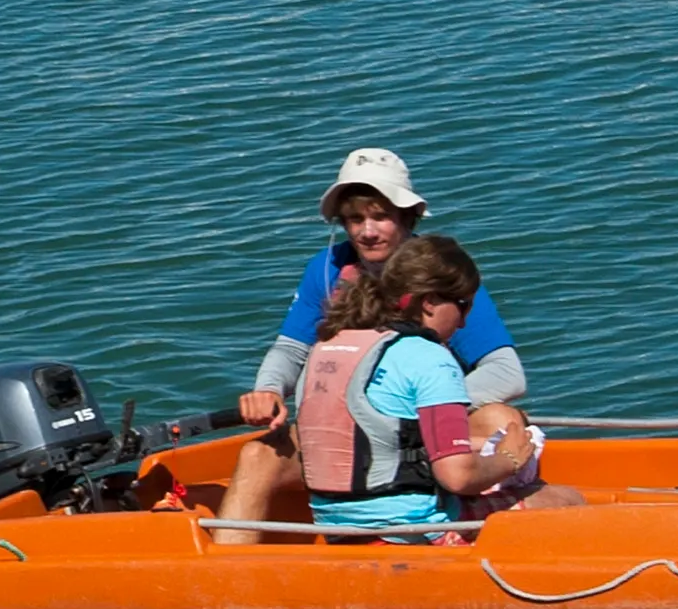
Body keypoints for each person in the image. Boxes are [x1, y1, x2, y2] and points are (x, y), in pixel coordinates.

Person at [224, 148, 523, 527]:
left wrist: (410, 414)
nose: (367, 231)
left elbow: (506, 373)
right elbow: (291, 348)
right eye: (354, 219)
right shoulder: (328, 268)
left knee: (500, 418)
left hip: (420, 425)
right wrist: (267, 388)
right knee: (256, 456)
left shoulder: (442, 275)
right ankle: (224, 576)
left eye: (380, 217)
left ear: (407, 217)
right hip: (343, 431)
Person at [291, 236, 550, 533]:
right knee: (560, 499)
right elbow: (458, 477)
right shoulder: (430, 359)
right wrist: (509, 459)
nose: (464, 322)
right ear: (429, 303)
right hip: (412, 528)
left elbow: (384, 444)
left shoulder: (328, 347)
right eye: (463, 306)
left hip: (335, 525)